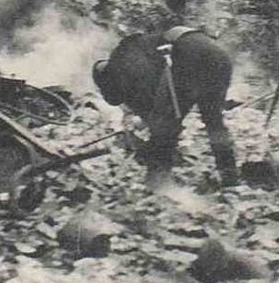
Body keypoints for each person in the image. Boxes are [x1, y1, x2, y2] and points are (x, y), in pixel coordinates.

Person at [92, 26, 240, 190]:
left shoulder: (121, 58)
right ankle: (229, 173)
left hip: (187, 54)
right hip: (219, 56)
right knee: (213, 119)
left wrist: (152, 126)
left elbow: (148, 97)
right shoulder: (141, 47)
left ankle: (158, 182)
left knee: (165, 122)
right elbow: (152, 93)